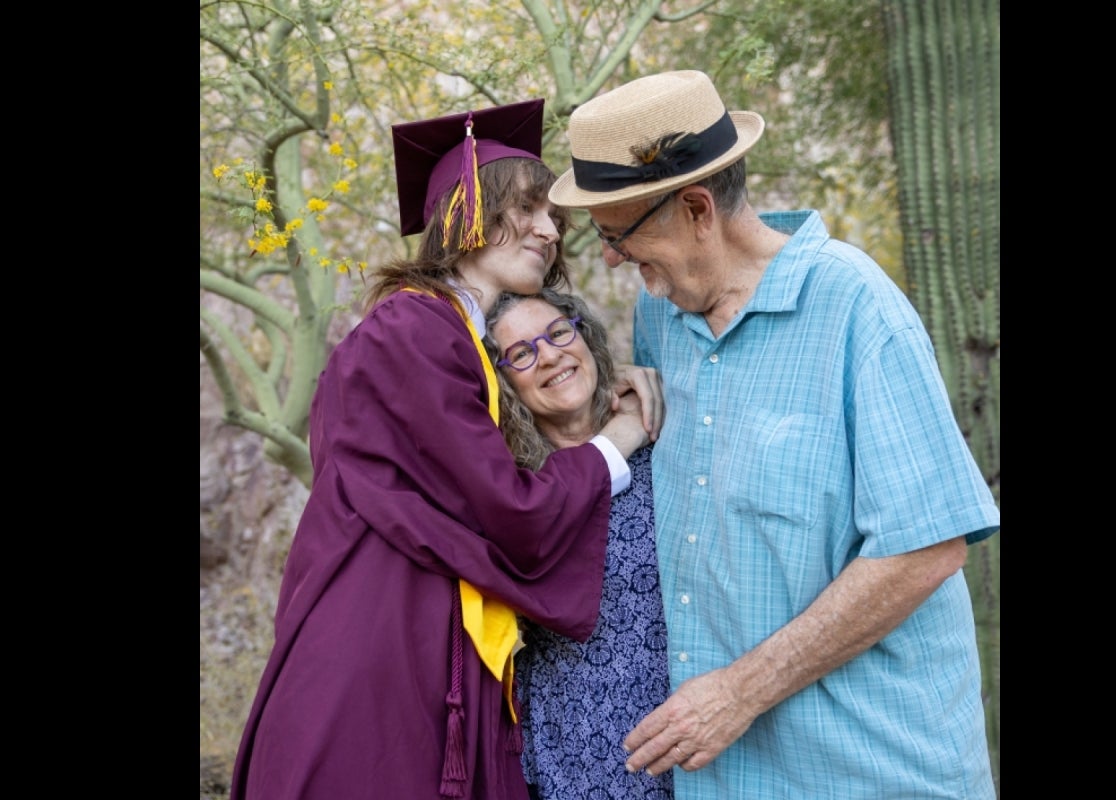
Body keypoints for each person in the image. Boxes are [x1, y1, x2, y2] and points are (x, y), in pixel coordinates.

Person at [548, 70, 1001, 799]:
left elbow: (927, 546)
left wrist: (737, 693)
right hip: (726, 778)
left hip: (870, 772)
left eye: (618, 235)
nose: (609, 258)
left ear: (697, 209)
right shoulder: (660, 316)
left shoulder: (856, 308)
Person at [229, 98, 664, 800]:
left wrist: (607, 392)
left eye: (553, 216)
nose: (551, 230)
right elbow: (511, 512)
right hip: (377, 659)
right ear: (470, 209)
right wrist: (622, 437)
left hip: (421, 652)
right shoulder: (413, 331)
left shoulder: (452, 338)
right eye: (531, 208)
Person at [484, 288, 674, 800]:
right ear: (503, 382)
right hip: (579, 743)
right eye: (521, 354)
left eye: (558, 333)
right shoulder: (517, 490)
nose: (548, 354)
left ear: (583, 336)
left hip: (700, 721)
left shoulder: (669, 438)